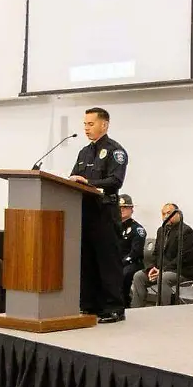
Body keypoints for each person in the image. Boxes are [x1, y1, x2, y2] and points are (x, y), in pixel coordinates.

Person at [69, 107, 128, 324]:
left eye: (90, 124)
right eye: (84, 124)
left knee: (107, 261)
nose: (86, 128)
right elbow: (74, 177)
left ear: (104, 125)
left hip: (105, 212)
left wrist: (89, 183)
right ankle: (89, 305)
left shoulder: (115, 151)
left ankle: (113, 308)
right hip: (85, 212)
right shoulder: (84, 152)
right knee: (88, 261)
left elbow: (115, 181)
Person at [130, 203, 193, 307]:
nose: (166, 216)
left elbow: (184, 258)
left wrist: (163, 270)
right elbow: (156, 253)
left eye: (169, 213)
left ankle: (163, 310)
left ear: (178, 214)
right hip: (162, 270)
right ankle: (137, 308)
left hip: (182, 271)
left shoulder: (186, 231)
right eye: (163, 214)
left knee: (164, 278)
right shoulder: (161, 230)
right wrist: (152, 268)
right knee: (139, 276)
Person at [118, 194, 146, 307]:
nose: (121, 210)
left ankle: (123, 303)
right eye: (119, 208)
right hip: (117, 261)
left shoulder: (137, 229)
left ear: (131, 209)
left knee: (124, 274)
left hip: (132, 263)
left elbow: (135, 252)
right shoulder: (112, 227)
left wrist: (121, 262)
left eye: (125, 207)